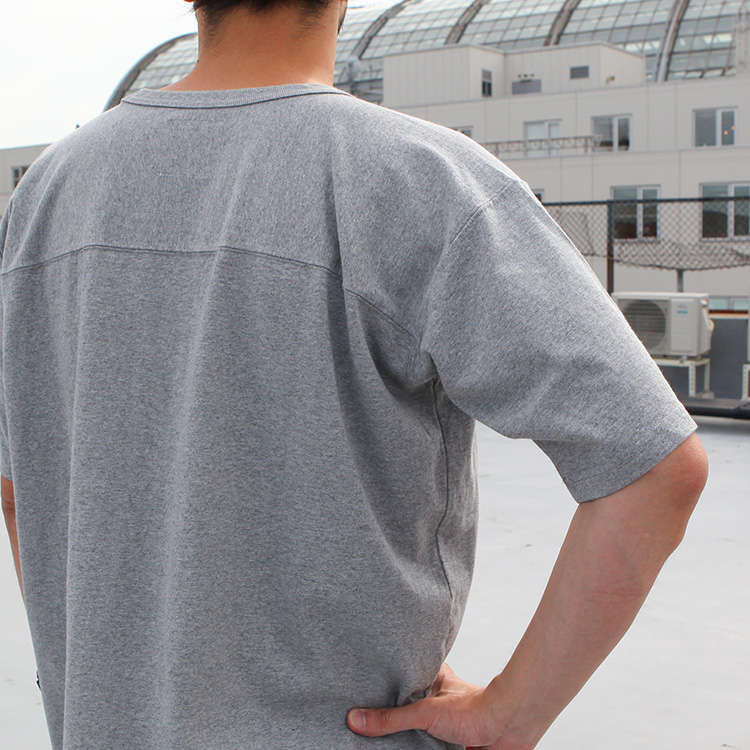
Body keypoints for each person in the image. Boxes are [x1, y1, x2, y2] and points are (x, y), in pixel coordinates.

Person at [0, 0, 707, 748]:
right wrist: (509, 716)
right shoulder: (418, 180)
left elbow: (22, 489)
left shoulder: (46, 195)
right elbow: (655, 467)